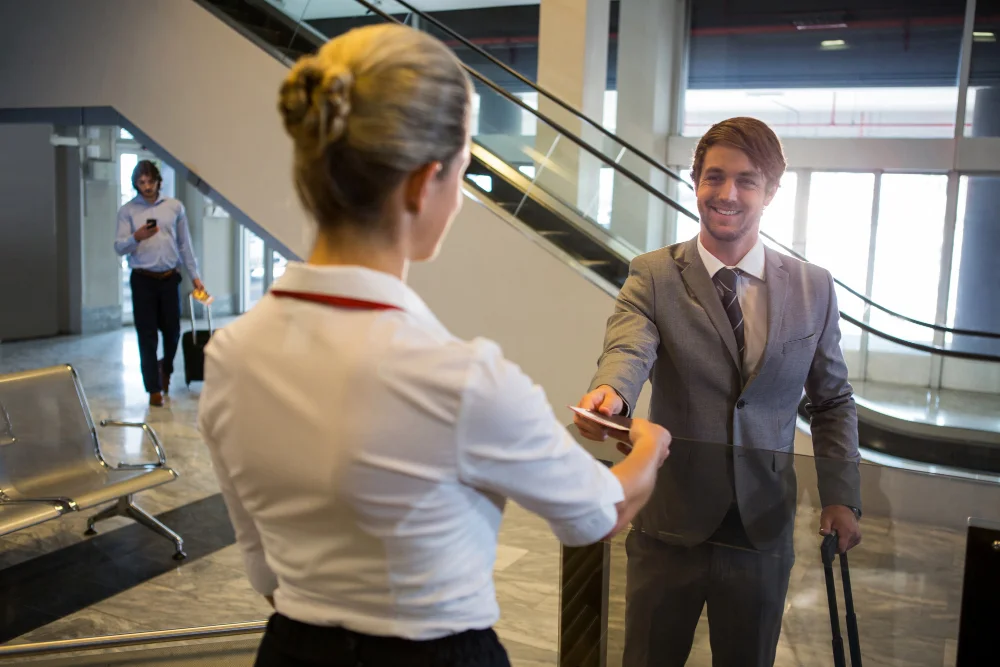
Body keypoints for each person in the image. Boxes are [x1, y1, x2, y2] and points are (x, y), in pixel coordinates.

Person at [197, 24, 671, 667]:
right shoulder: (463, 377)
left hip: (290, 649)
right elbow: (597, 515)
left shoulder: (230, 355)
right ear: (424, 184)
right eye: (464, 169)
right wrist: (651, 445)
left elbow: (264, 570)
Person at [574, 117, 863, 667]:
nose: (727, 194)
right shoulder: (654, 275)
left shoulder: (813, 286)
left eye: (747, 180)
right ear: (696, 182)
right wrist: (611, 393)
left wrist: (841, 495)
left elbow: (832, 400)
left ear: (771, 191)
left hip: (763, 527)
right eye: (714, 177)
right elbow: (628, 349)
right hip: (670, 525)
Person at [114, 160, 206, 407]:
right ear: (135, 184)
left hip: (169, 278)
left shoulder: (174, 207)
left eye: (150, 181)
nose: (146, 187)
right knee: (146, 335)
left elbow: (185, 245)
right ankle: (153, 388)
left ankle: (165, 367)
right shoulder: (127, 211)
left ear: (157, 181)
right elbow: (119, 247)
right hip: (142, 279)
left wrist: (195, 276)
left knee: (173, 331)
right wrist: (137, 236)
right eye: (141, 183)